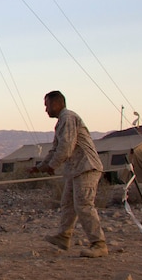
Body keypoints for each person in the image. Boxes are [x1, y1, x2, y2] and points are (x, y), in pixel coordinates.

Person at [36, 91, 108, 258]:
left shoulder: (68, 118)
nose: (46, 109)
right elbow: (55, 148)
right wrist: (41, 166)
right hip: (75, 170)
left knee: (83, 205)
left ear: (56, 103)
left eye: (47, 105)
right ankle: (63, 236)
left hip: (86, 167)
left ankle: (99, 243)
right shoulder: (62, 122)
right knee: (67, 204)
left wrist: (52, 166)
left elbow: (66, 147)